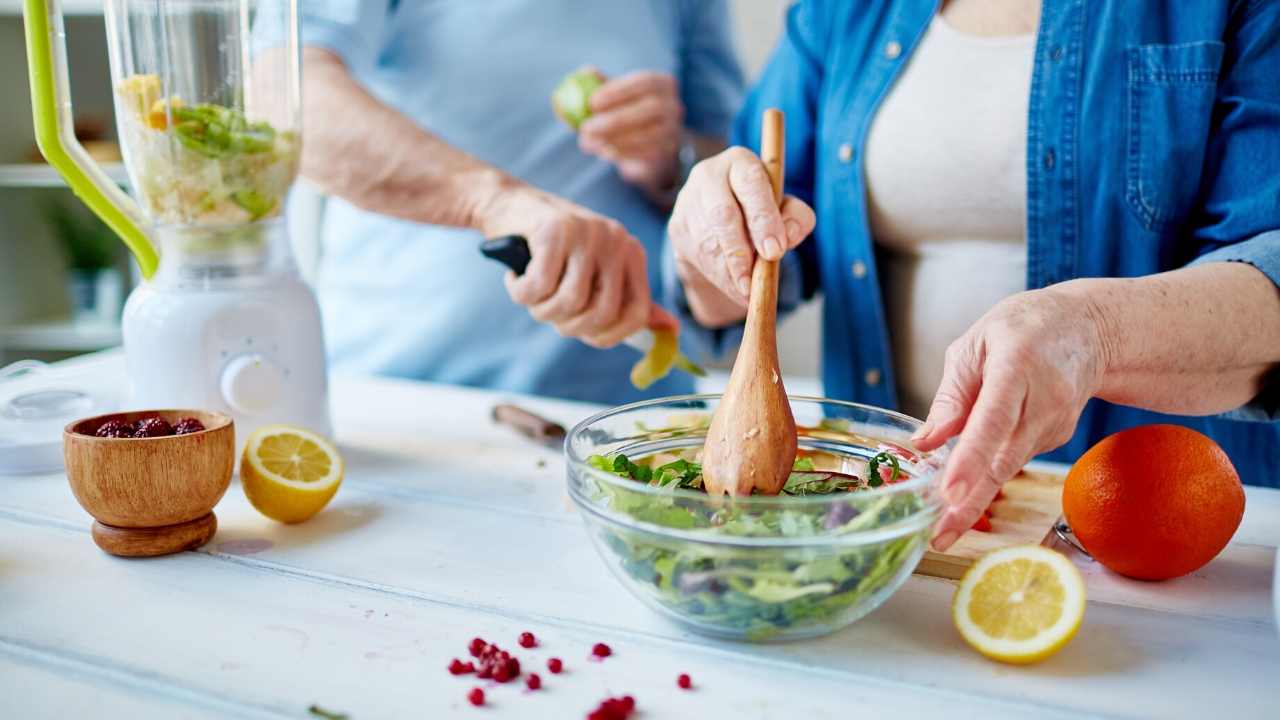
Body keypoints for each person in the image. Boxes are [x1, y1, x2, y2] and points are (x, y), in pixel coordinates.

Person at [666, 0, 1280, 549]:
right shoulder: (839, 11)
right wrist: (707, 250)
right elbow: (756, 259)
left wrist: (1095, 332)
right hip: (884, 526)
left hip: (1169, 541)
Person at [296, 2, 742, 404]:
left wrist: (670, 158)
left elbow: (731, 161)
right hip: (405, 393)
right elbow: (290, 96)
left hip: (624, 408)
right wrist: (490, 202)